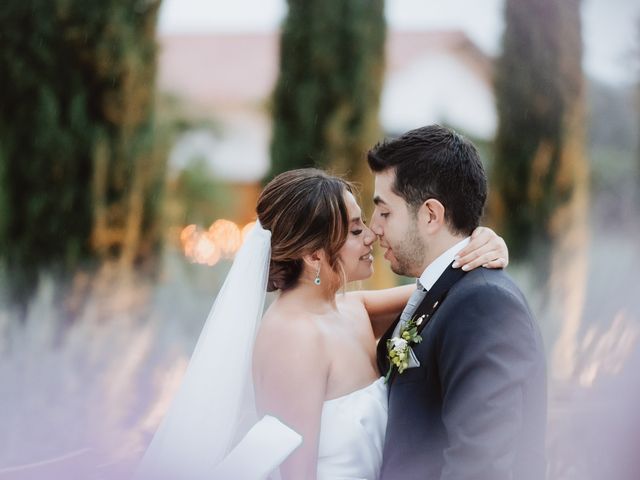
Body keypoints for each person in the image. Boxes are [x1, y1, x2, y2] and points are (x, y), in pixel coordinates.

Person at [133, 168, 508, 480]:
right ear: (314, 255)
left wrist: (485, 244)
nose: (371, 238)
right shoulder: (290, 339)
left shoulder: (350, 309)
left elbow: (443, 286)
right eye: (356, 230)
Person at [368, 125, 547, 480]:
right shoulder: (444, 292)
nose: (374, 227)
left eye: (385, 212)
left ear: (431, 215)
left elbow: (481, 466)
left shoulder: (485, 305)